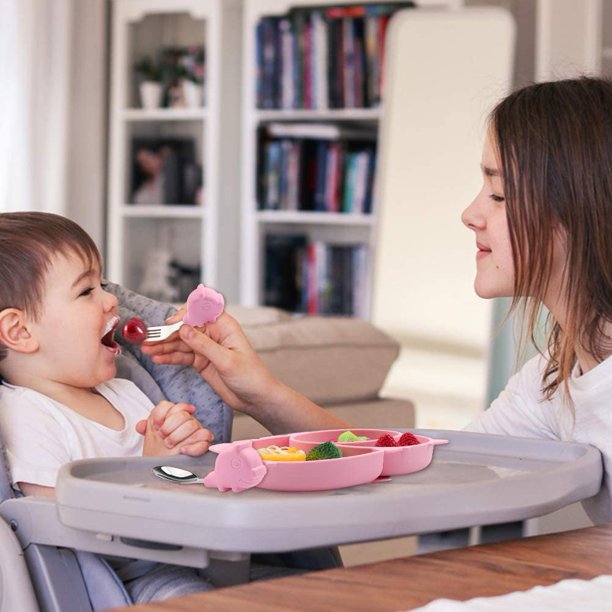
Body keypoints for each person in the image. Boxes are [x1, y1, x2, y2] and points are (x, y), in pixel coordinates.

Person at [142, 76, 612, 525]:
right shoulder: (554, 380)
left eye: (499, 193)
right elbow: (425, 468)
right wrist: (261, 393)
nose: (471, 214)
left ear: (576, 206)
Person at [0, 211, 217, 602]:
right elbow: (64, 538)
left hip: (193, 556)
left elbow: (184, 486)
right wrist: (155, 470)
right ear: (19, 331)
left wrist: (191, 458)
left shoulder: (126, 390)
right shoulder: (25, 415)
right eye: (86, 291)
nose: (112, 298)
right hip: (119, 587)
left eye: (101, 283)